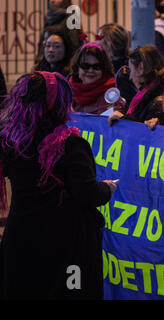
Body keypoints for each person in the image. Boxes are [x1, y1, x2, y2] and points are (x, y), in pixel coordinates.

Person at [0, 71, 117, 299]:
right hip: (63, 246)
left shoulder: (11, 141)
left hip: (21, 239)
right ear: (59, 103)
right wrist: (107, 188)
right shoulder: (70, 144)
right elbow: (88, 193)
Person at [108, 45, 164, 126]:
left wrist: (124, 119)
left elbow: (146, 133)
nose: (130, 77)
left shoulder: (157, 102)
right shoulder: (150, 95)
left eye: (131, 70)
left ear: (141, 68)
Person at [96, 23, 137, 112]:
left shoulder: (122, 73)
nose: (96, 42)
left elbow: (126, 107)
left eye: (99, 38)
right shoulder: (110, 67)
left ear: (109, 43)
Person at [69, 43, 117, 115]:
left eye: (96, 67)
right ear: (77, 68)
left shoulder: (112, 95)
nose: (91, 70)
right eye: (85, 66)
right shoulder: (67, 92)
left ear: (104, 69)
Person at [34, 0, 82, 67]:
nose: (52, 1)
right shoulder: (50, 18)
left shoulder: (71, 19)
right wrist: (38, 63)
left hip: (64, 67)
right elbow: (42, 45)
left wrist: (71, 67)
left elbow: (75, 45)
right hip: (46, 66)